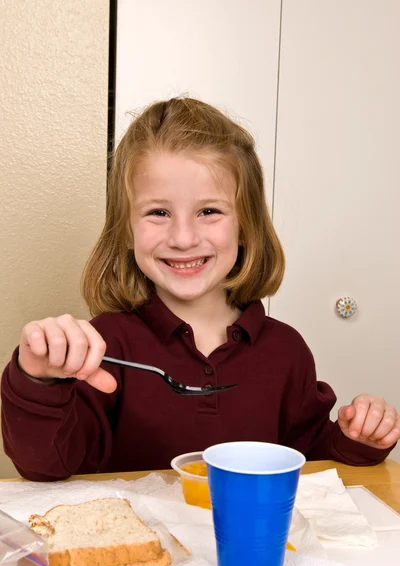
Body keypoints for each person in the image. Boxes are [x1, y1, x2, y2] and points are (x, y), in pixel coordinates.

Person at [1, 98, 399, 482]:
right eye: (158, 212)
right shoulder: (105, 346)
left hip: (246, 549)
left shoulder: (287, 351)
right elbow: (46, 465)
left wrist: (358, 439)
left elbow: (312, 464)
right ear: (126, 230)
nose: (183, 237)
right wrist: (37, 379)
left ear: (245, 226)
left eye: (209, 211)